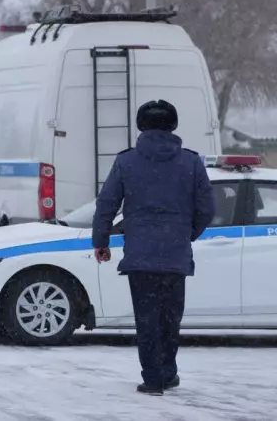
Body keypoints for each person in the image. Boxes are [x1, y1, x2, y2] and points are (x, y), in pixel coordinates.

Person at [91, 99, 216, 396]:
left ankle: (153, 378)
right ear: (173, 124)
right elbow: (207, 209)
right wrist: (187, 234)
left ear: (140, 125)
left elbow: (106, 204)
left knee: (146, 318)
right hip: (175, 255)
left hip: (140, 255)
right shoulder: (191, 162)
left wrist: (101, 241)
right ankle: (168, 372)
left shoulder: (126, 162)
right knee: (171, 318)